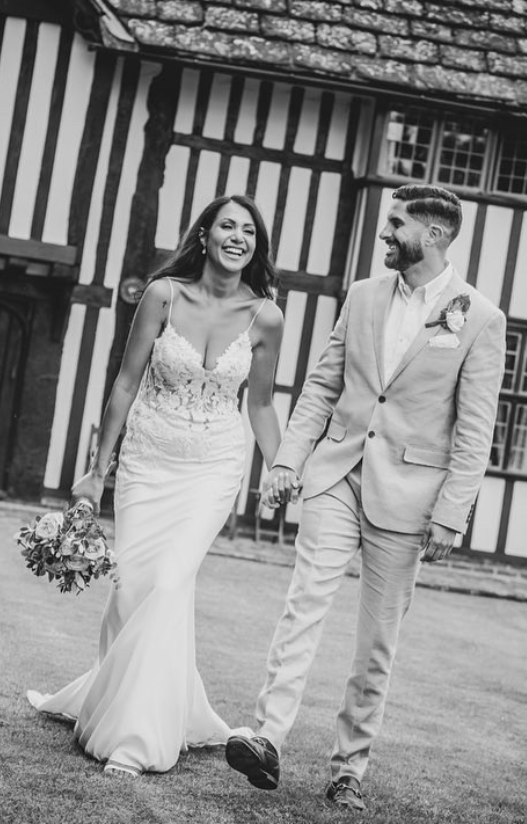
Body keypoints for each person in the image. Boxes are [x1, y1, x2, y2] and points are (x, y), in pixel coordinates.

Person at [225, 184, 506, 811]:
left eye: (397, 224)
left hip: (410, 497)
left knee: (377, 642)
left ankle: (348, 767)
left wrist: (452, 513)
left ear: (433, 235)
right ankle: (267, 737)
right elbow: (323, 385)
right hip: (336, 474)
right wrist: (289, 459)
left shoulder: (481, 319)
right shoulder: (362, 295)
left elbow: (475, 430)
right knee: (303, 604)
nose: (386, 233)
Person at [27, 194, 284, 778]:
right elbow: (125, 383)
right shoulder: (163, 295)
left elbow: (262, 405)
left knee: (170, 583)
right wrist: (98, 469)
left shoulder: (265, 316)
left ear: (256, 245)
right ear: (205, 235)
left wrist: (281, 464)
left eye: (249, 231)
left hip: (214, 465)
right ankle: (118, 698)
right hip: (147, 458)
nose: (238, 237)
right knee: (131, 590)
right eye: (227, 226)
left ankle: (136, 740)